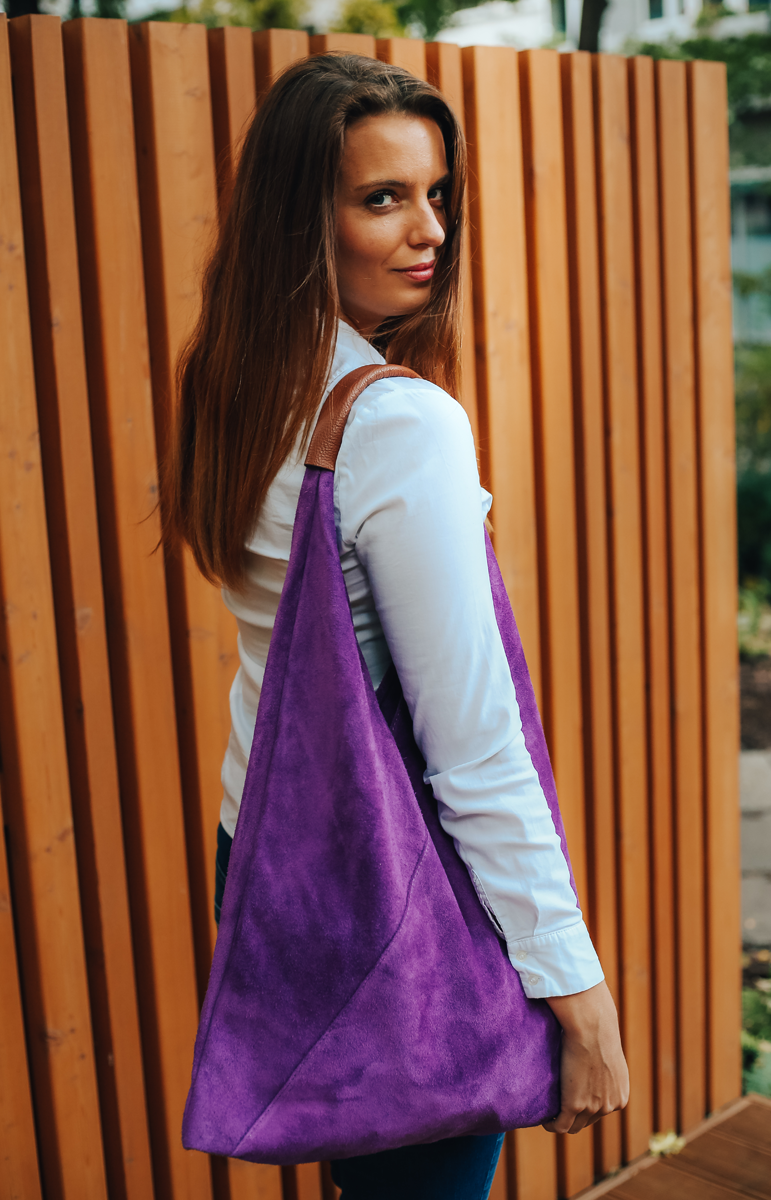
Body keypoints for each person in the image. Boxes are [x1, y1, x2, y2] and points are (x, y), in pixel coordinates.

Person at [164, 51, 629, 1200]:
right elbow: (473, 750)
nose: (429, 231)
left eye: (435, 193)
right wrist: (575, 991)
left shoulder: (234, 380)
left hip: (266, 851)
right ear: (299, 220)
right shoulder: (398, 425)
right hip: (396, 889)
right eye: (382, 198)